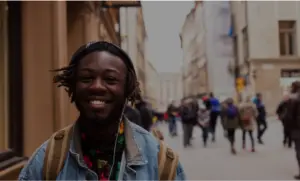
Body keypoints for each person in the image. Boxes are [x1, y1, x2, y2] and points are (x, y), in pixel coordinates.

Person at [18, 41, 185, 180]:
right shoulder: (47, 160)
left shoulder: (162, 163)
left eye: (110, 79)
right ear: (73, 86)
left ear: (127, 89)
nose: (97, 86)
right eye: (86, 78)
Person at [284, 81, 300, 179]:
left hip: (297, 129)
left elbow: (289, 117)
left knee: (299, 150)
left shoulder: (293, 99)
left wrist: (288, 129)